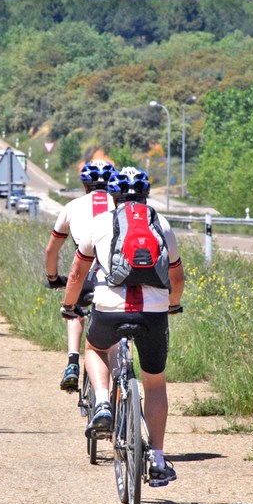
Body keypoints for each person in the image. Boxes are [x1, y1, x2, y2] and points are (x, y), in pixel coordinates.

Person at [60, 168, 185, 487]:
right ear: (146, 195)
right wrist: (171, 305)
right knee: (154, 383)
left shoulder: (100, 223)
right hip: (153, 312)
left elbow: (76, 274)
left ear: (114, 196)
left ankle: (102, 402)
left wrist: (68, 305)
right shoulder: (161, 222)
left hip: (110, 308)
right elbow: (177, 278)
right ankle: (157, 460)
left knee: (95, 349)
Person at [43, 159, 115, 391]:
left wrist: (54, 278)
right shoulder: (120, 204)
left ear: (85, 185)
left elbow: (51, 250)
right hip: (117, 276)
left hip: (85, 276)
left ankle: (72, 362)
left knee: (73, 309)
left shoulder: (72, 207)